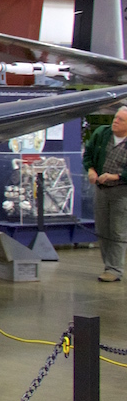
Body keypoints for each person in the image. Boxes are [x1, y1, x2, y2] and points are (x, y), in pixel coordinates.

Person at [83, 105, 127, 282]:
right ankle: (108, 264)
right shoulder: (102, 133)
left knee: (117, 230)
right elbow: (88, 155)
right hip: (101, 190)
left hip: (122, 191)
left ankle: (114, 269)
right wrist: (91, 170)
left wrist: (115, 176)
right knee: (102, 229)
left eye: (120, 120)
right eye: (115, 118)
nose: (115, 121)